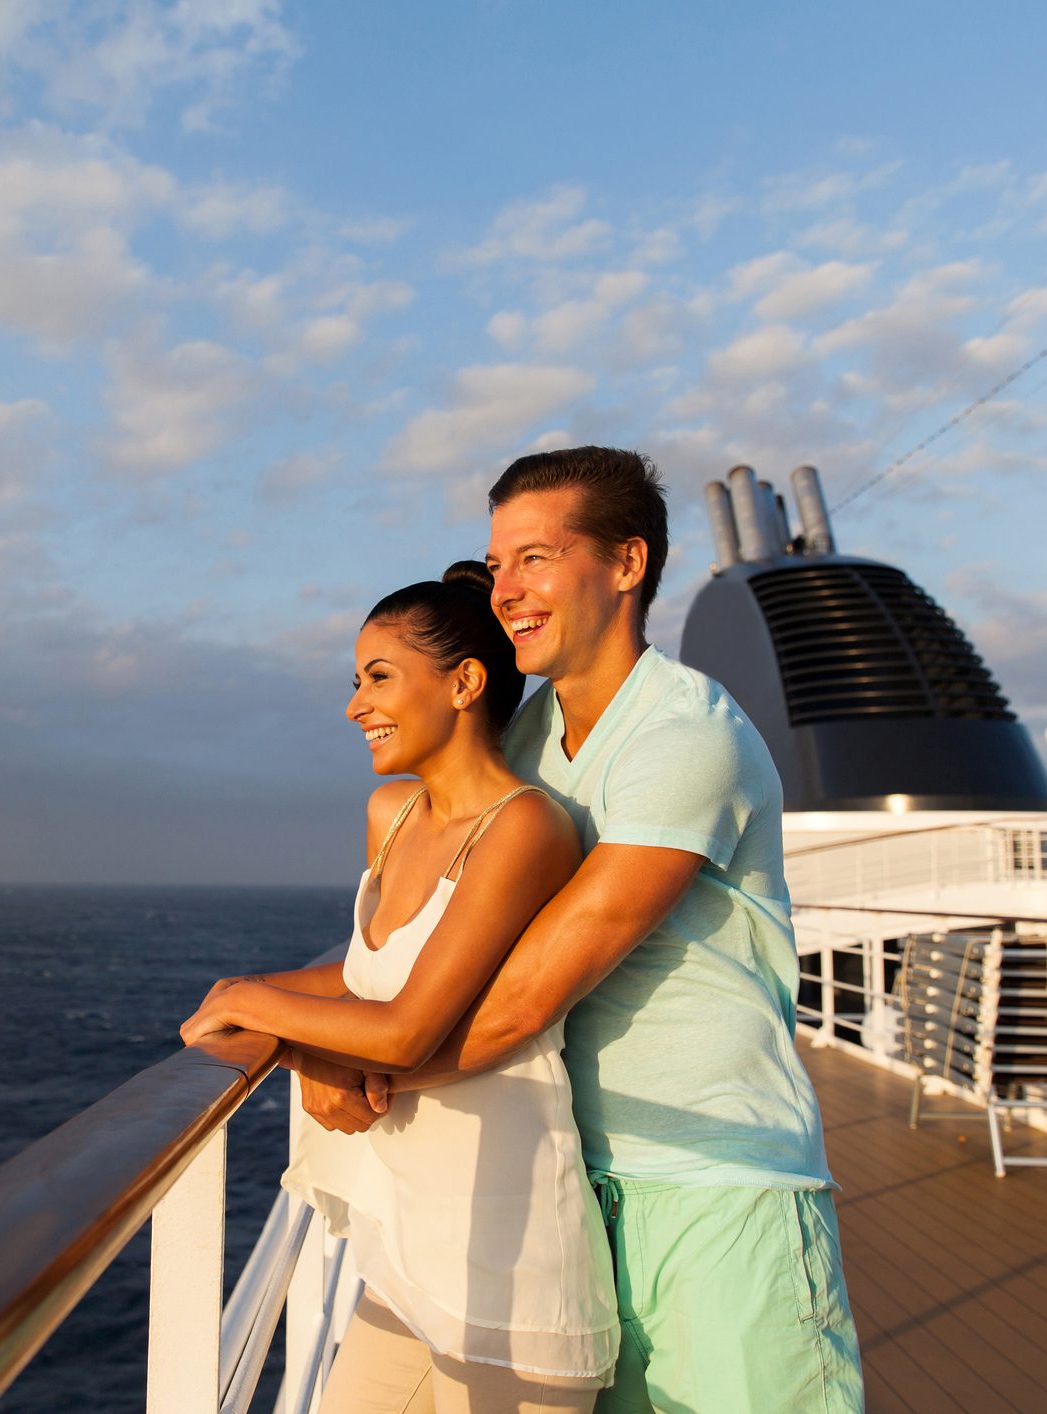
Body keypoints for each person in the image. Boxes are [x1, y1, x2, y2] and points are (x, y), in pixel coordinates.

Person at [296, 448, 864, 1414]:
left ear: (627, 564)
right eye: (498, 561)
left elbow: (523, 995)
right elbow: (430, 937)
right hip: (566, 1181)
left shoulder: (685, 736)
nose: (504, 589)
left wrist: (356, 1060)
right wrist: (318, 1036)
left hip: (709, 1186)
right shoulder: (519, 747)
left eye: (535, 558)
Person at [181, 561, 619, 1412]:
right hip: (406, 1247)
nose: (355, 705)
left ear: (463, 683)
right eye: (356, 681)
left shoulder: (525, 827)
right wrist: (272, 1006)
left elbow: (405, 1030)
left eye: (378, 677)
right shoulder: (392, 814)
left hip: (507, 1260)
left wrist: (250, 1002)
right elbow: (361, 978)